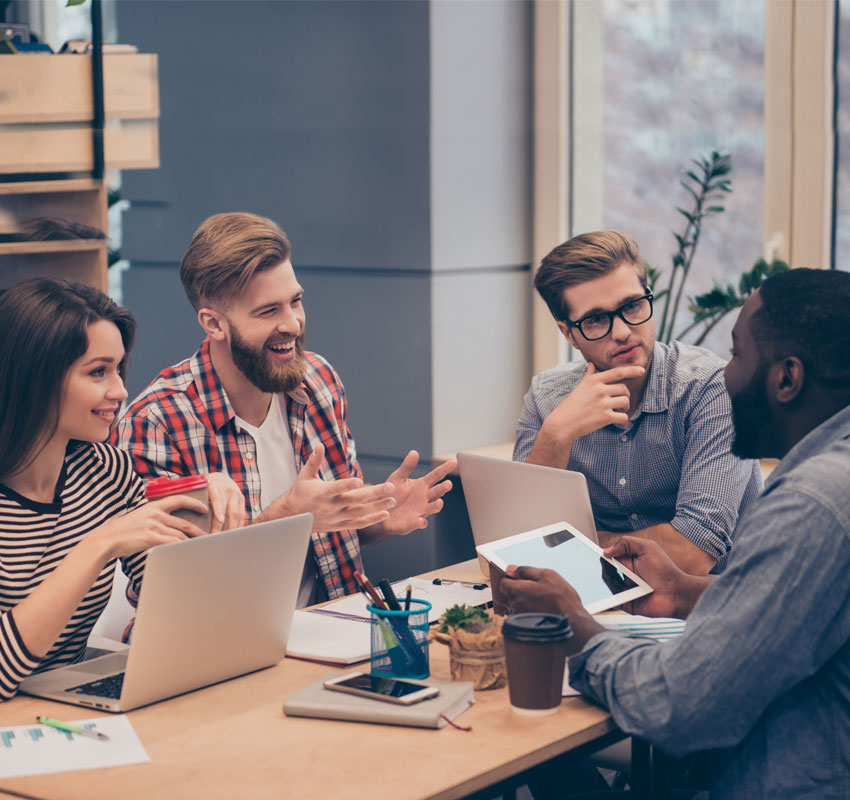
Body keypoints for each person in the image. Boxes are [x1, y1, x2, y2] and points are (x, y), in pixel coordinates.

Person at [502, 267, 850, 799]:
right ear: (567, 331)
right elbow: (810, 607)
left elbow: (681, 706)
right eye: (596, 318)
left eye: (736, 356)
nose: (725, 375)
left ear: (787, 379)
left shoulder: (812, 504)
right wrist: (684, 591)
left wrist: (577, 627)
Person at [113, 212, 456, 606]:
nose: (292, 323)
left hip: (330, 630)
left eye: (295, 302)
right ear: (213, 323)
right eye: (268, 311)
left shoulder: (319, 382)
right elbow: (170, 590)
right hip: (220, 651)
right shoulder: (155, 422)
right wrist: (283, 518)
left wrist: (379, 521)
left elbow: (333, 534)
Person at [0, 278, 209, 701]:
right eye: (98, 372)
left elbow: (182, 604)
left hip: (66, 709)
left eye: (118, 368)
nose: (120, 391)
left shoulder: (106, 472)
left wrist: (204, 539)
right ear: (35, 376)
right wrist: (97, 546)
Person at [514, 231, 762, 575]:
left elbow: (693, 553)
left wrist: (573, 543)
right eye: (595, 319)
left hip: (713, 609)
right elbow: (519, 544)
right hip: (593, 602)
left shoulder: (711, 387)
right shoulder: (547, 398)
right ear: (568, 333)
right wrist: (556, 434)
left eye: (632, 306)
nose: (621, 332)